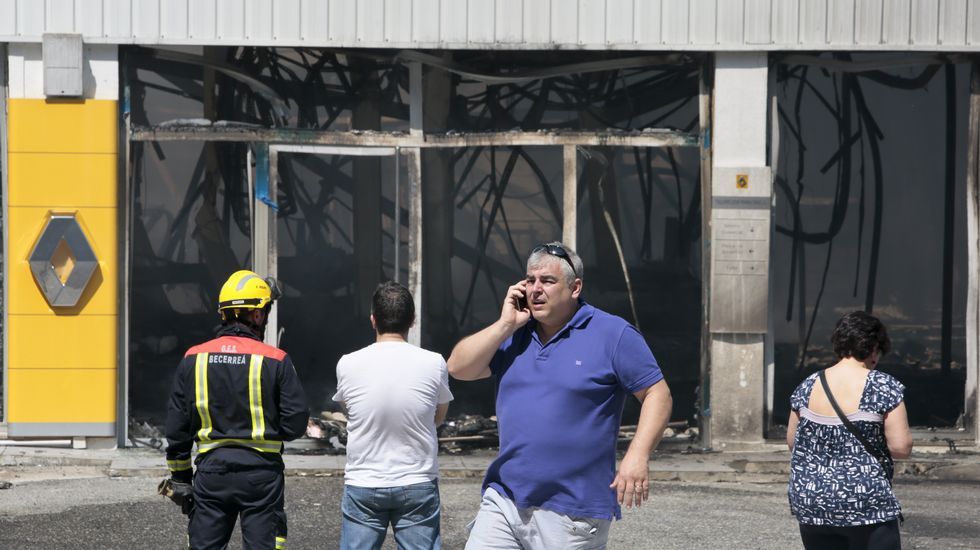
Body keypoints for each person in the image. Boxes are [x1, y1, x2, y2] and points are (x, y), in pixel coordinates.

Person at [448, 241, 672, 549]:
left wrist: (638, 454)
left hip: (572, 511)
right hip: (506, 499)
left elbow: (657, 394)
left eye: (548, 281)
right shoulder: (515, 334)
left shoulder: (612, 333)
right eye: (530, 280)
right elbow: (459, 368)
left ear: (575, 287)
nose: (535, 289)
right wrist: (504, 325)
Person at [164, 270, 309, 550]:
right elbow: (296, 424)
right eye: (265, 311)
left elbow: (177, 428)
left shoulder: (193, 358)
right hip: (262, 476)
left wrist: (181, 478)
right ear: (256, 316)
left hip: (211, 473)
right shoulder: (276, 360)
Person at [333, 281, 453, 550]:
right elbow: (438, 417)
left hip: (363, 481)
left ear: (373, 319)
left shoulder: (348, 363)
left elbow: (350, 412)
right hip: (417, 481)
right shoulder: (434, 362)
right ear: (412, 320)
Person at [787, 310, 913, 550]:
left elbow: (794, 442)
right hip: (866, 503)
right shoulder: (883, 386)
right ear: (874, 348)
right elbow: (900, 447)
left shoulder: (809, 384)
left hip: (813, 502)